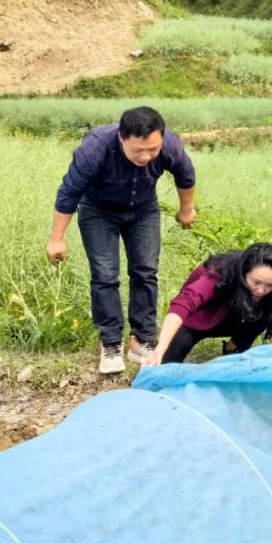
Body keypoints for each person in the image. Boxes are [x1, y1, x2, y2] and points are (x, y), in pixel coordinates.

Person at [47, 106, 197, 375]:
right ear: (122, 138)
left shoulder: (169, 145)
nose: (147, 156)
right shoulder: (95, 149)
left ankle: (142, 340)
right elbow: (69, 193)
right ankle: (111, 343)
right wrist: (57, 239)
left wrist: (186, 209)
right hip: (98, 211)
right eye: (138, 150)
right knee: (105, 274)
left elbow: (185, 175)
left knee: (146, 271)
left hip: (143, 209)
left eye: (152, 149)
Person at [144, 243, 272, 365]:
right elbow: (183, 303)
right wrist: (161, 347)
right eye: (256, 282)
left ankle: (232, 351)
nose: (261, 290)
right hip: (200, 317)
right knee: (169, 357)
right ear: (244, 273)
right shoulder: (218, 273)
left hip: (239, 316)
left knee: (263, 318)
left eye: (269, 285)